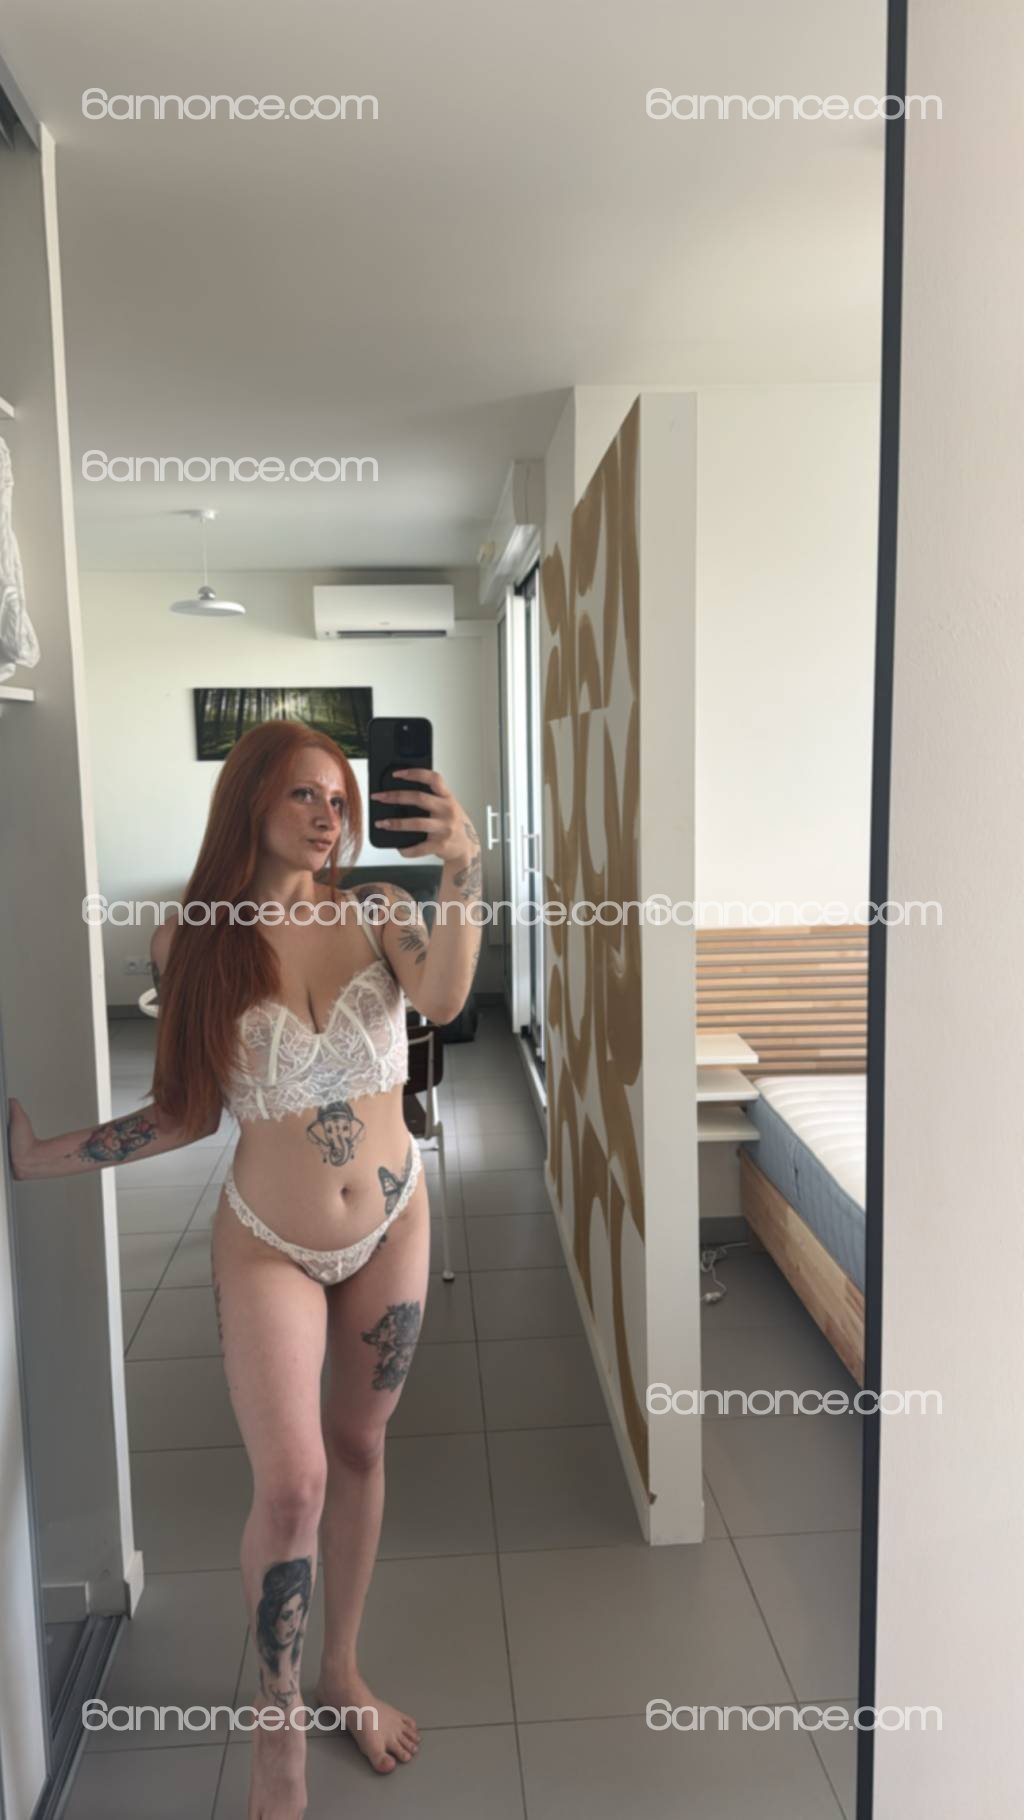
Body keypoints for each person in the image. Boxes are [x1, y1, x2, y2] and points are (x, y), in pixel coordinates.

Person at [8, 718, 483, 1820]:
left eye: (340, 799)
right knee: (293, 1482)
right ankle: (278, 1724)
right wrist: (44, 1158)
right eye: (306, 795)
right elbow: (186, 1110)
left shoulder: (379, 910)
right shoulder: (195, 937)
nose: (329, 816)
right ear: (251, 803)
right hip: (268, 1239)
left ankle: (341, 1671)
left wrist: (463, 865)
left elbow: (447, 1001)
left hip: (395, 1220)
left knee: (359, 1446)